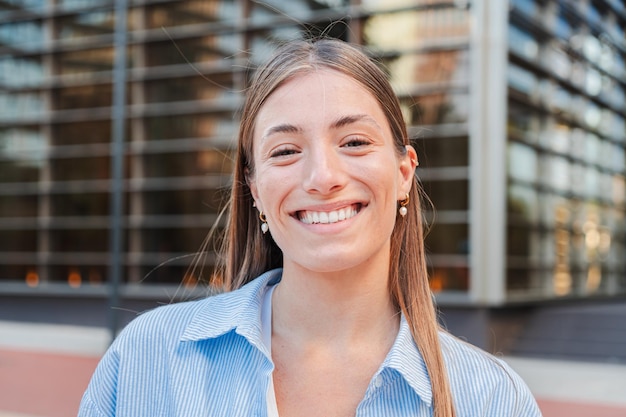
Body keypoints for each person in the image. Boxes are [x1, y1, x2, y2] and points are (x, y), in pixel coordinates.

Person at [78, 39, 542, 417]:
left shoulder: (492, 400)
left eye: (355, 142)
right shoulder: (146, 359)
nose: (323, 177)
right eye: (284, 151)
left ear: (404, 173)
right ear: (255, 189)